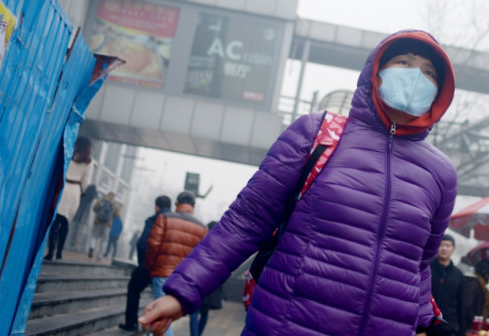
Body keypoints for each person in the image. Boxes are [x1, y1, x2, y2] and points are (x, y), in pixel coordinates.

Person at [138, 29, 457, 335]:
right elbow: (246, 222)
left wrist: (428, 323)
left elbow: (417, 265)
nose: (416, 76)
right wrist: (183, 292)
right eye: (404, 62)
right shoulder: (317, 134)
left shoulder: (440, 174)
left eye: (429, 73)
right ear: (377, 70)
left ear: (438, 93)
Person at [145, 191, 208, 336]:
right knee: (162, 317)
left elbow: (153, 244)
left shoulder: (164, 217)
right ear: (193, 206)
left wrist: (150, 265)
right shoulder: (202, 227)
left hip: (162, 272)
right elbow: (202, 257)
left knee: (161, 317)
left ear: (177, 203)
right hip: (184, 277)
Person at [119, 196, 172, 332]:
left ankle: (131, 323)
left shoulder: (154, 219)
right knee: (161, 299)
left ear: (157, 207)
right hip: (166, 268)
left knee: (134, 288)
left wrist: (143, 263)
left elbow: (143, 243)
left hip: (149, 265)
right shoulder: (173, 220)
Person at [45, 136, 93, 260]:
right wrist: (82, 191)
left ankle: (51, 251)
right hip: (75, 191)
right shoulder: (88, 161)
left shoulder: (70, 153)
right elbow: (86, 181)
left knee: (56, 220)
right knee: (65, 222)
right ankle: (59, 253)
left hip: (63, 187)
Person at [191, 221, 223, 336]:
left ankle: (195, 334)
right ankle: (198, 334)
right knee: (205, 312)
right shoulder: (222, 244)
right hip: (212, 285)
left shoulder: (204, 242)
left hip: (200, 281)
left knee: (195, 311)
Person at [430, 234, 465, 336]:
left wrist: (461, 330)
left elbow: (461, 304)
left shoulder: (458, 275)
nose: (444, 248)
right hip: (427, 325)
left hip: (449, 327)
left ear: (453, 249)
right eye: (441, 245)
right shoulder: (428, 269)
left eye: (448, 246)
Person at [463, 259, 489, 330]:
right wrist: (475, 321)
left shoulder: (478, 284)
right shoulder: (474, 284)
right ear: (486, 274)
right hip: (469, 326)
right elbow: (468, 305)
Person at [89, 191, 116, 260]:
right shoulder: (115, 204)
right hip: (107, 224)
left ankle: (92, 247)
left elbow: (94, 208)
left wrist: (99, 213)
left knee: (94, 236)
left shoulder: (101, 200)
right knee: (104, 240)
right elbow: (116, 215)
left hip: (98, 222)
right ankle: (99, 255)